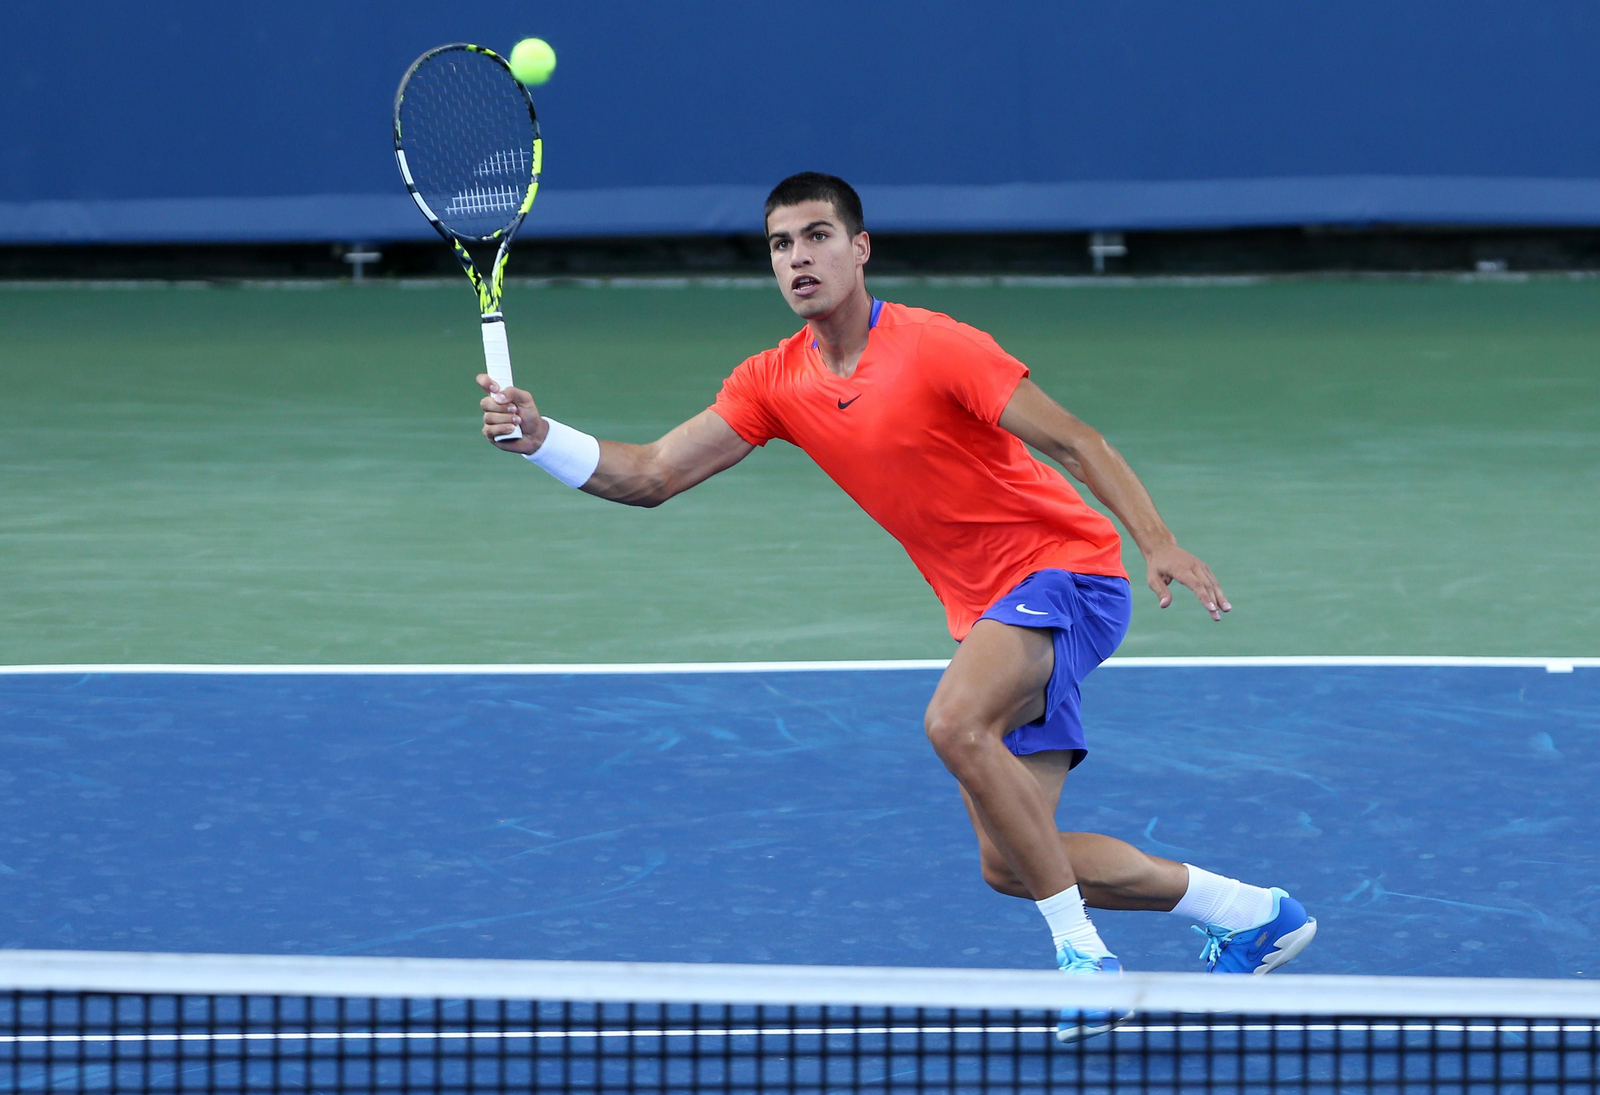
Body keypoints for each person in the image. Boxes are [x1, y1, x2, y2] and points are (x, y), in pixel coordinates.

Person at [478, 172, 1316, 1040]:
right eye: (780, 244)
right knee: (1011, 859)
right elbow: (650, 474)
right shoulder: (773, 381)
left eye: (816, 236)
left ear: (859, 247)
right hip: (994, 608)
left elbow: (1077, 439)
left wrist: (1157, 541)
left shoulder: (936, 345)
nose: (798, 258)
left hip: (1068, 574)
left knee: (954, 723)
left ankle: (1083, 960)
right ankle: (1256, 913)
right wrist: (542, 441)